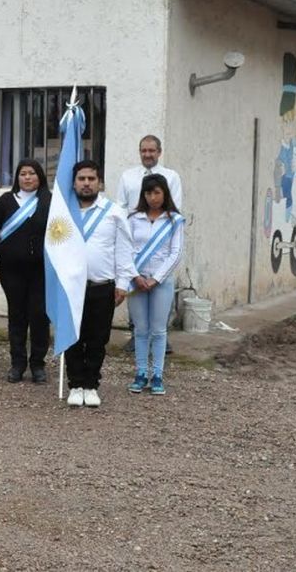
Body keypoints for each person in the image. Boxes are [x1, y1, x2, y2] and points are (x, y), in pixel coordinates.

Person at [64, 161, 137, 408]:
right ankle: (75, 384)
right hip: (72, 288)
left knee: (97, 339)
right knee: (73, 337)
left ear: (100, 183)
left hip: (102, 287)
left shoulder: (113, 212)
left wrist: (123, 283)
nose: (86, 183)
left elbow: (124, 250)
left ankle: (91, 385)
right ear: (74, 183)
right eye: (81, 179)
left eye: (91, 179)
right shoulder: (64, 212)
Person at [0, 158, 51, 384]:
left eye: (32, 173)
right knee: (17, 317)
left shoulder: (49, 201)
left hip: (42, 271)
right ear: (17, 177)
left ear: (40, 176)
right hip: (12, 271)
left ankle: (38, 364)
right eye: (23, 174)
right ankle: (17, 364)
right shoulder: (5, 201)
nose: (27, 177)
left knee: (39, 317)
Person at [116, 135, 184, 354]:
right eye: (143, 150)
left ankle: (161, 336)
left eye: (151, 150)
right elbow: (120, 207)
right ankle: (136, 334)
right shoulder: (127, 176)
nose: (147, 154)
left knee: (160, 294)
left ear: (159, 152)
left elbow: (174, 207)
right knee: (135, 293)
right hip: (135, 240)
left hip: (160, 242)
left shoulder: (172, 177)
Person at [126, 173, 186, 396]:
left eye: (157, 192)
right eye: (148, 193)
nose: (153, 197)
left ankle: (157, 375)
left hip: (161, 282)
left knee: (159, 330)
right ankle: (141, 373)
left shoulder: (174, 220)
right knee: (140, 329)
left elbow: (175, 253)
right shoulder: (134, 219)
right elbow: (126, 249)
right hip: (136, 280)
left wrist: (156, 278)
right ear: (143, 195)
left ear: (165, 193)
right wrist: (135, 276)